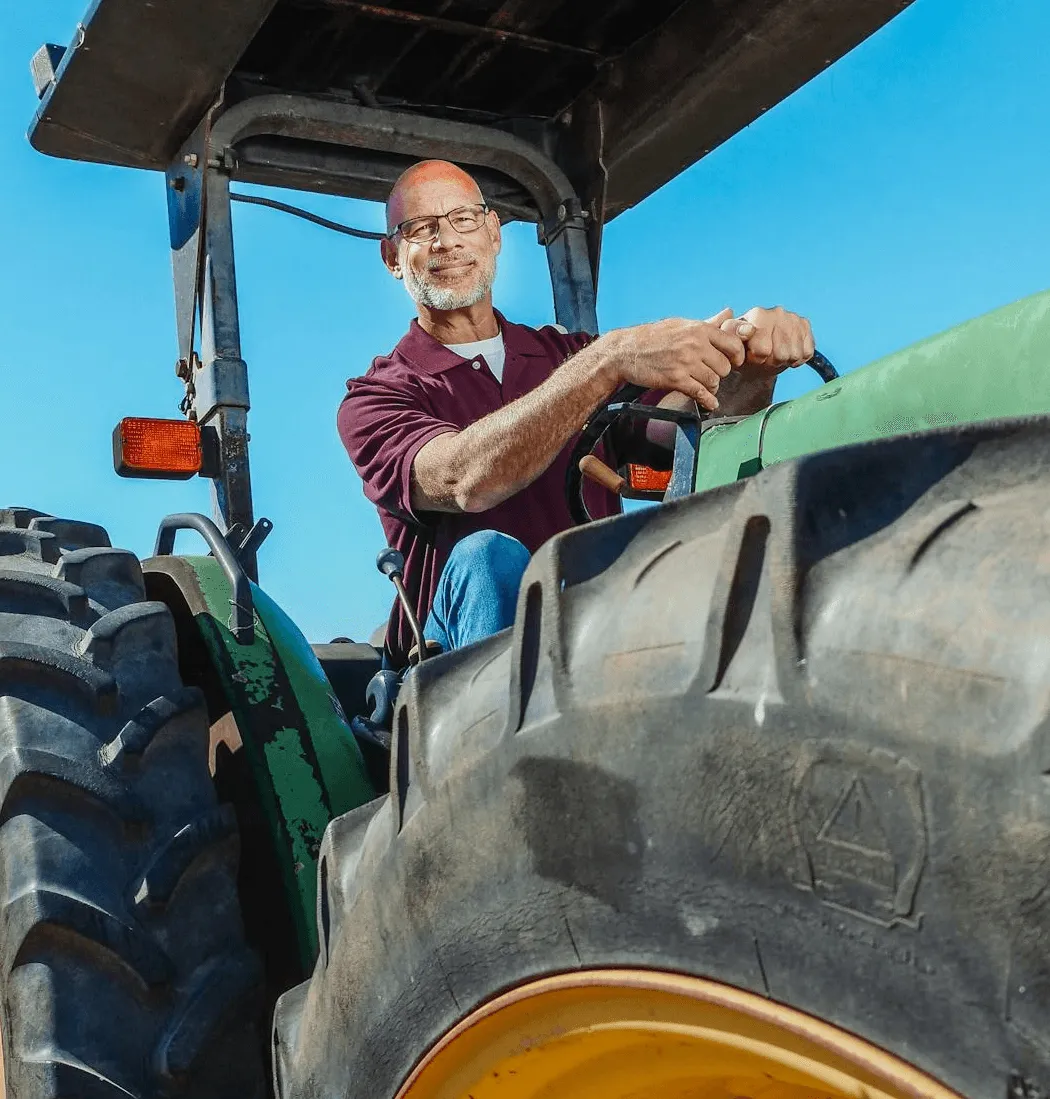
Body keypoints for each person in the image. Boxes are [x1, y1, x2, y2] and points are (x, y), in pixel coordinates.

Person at [339, 160, 815, 664]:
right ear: (393, 256)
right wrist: (606, 361)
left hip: (593, 627)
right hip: (445, 660)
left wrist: (751, 364)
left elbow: (678, 436)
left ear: (494, 233)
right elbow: (465, 479)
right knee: (488, 558)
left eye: (464, 219)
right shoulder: (377, 397)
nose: (446, 241)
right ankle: (503, 732)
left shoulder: (568, 355)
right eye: (421, 229)